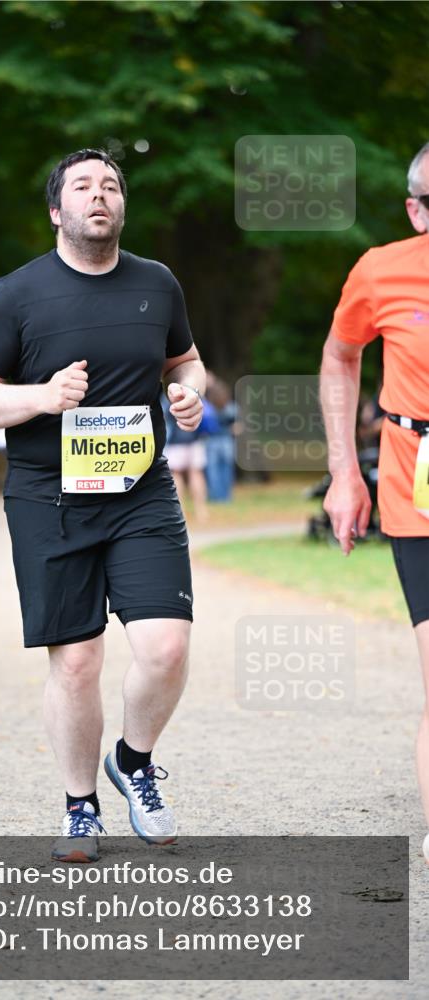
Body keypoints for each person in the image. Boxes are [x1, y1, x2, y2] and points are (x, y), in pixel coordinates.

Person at [0, 148, 209, 862]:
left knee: (166, 647)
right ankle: (78, 805)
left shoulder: (157, 285)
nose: (98, 195)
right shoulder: (17, 294)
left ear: (121, 206)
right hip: (48, 498)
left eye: (110, 185)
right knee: (76, 663)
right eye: (82, 186)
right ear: (56, 210)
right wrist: (39, 397)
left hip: (139, 492)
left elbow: (183, 360)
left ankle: (132, 761)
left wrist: (188, 389)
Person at [320, 140, 429, 863]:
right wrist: (341, 472)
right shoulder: (380, 269)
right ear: (415, 209)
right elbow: (338, 354)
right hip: (414, 476)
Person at [162, 393, 209, 525]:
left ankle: (180, 510)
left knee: (176, 475)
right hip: (195, 440)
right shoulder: (191, 392)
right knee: (196, 474)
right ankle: (201, 510)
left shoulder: (167, 398)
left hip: (175, 443)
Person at [205, 378, 239, 503]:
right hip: (227, 441)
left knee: (213, 470)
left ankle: (215, 496)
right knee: (227, 469)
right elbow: (237, 426)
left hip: (211, 440)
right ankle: (226, 497)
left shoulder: (208, 408)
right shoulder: (231, 407)